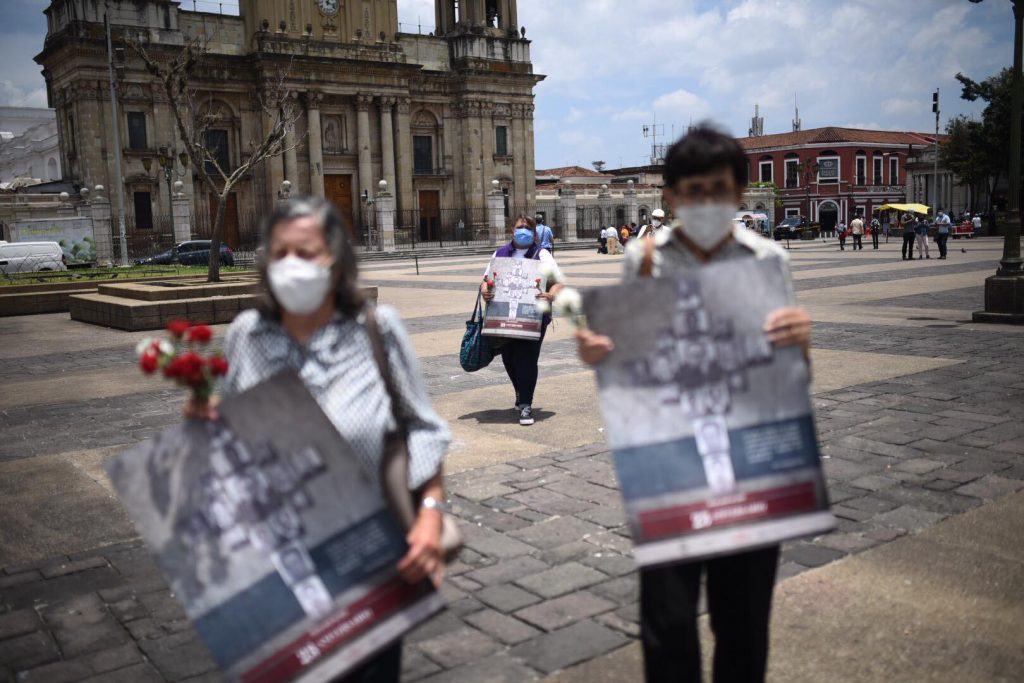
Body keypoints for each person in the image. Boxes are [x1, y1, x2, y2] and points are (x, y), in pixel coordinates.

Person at [576, 124, 811, 683]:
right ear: (671, 197)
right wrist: (601, 353)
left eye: (719, 190)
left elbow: (789, 381)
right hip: (671, 466)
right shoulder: (645, 261)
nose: (706, 203)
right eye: (693, 191)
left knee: (745, 623)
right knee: (667, 620)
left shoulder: (767, 261)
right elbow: (634, 362)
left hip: (750, 466)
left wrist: (799, 344)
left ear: (737, 194)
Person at [187, 197, 451, 683]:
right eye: (279, 252)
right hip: (279, 562)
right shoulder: (247, 335)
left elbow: (422, 428)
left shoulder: (378, 328)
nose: (291, 265)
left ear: (335, 258)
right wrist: (207, 424)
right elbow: (232, 441)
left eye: (305, 252)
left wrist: (430, 515)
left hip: (368, 555)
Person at [481, 214, 564, 426]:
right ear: (512, 230)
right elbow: (486, 281)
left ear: (534, 233)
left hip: (533, 316)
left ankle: (526, 404)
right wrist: (486, 292)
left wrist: (551, 295)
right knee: (509, 358)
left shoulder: (542, 254)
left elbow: (557, 282)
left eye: (528, 227)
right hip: (503, 317)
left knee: (527, 358)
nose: (523, 230)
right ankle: (520, 391)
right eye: (520, 227)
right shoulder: (500, 254)